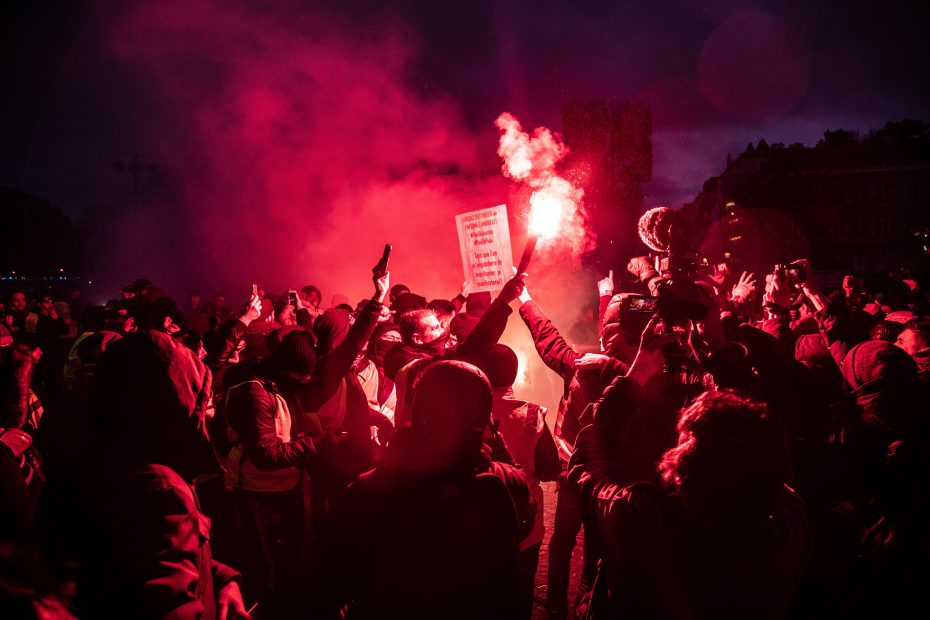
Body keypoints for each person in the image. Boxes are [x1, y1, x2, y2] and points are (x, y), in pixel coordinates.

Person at [38, 330, 248, 618]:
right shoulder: (157, 489)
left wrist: (222, 580)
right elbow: (169, 606)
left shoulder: (90, 461)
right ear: (172, 399)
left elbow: (150, 558)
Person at [569, 375, 809, 618]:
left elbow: (592, 478)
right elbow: (772, 459)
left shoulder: (645, 522)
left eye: (683, 437)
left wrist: (610, 415)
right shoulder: (786, 528)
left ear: (686, 461)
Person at [310, 360, 529, 619]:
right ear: (484, 416)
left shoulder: (365, 491)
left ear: (417, 407)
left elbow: (325, 587)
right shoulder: (507, 483)